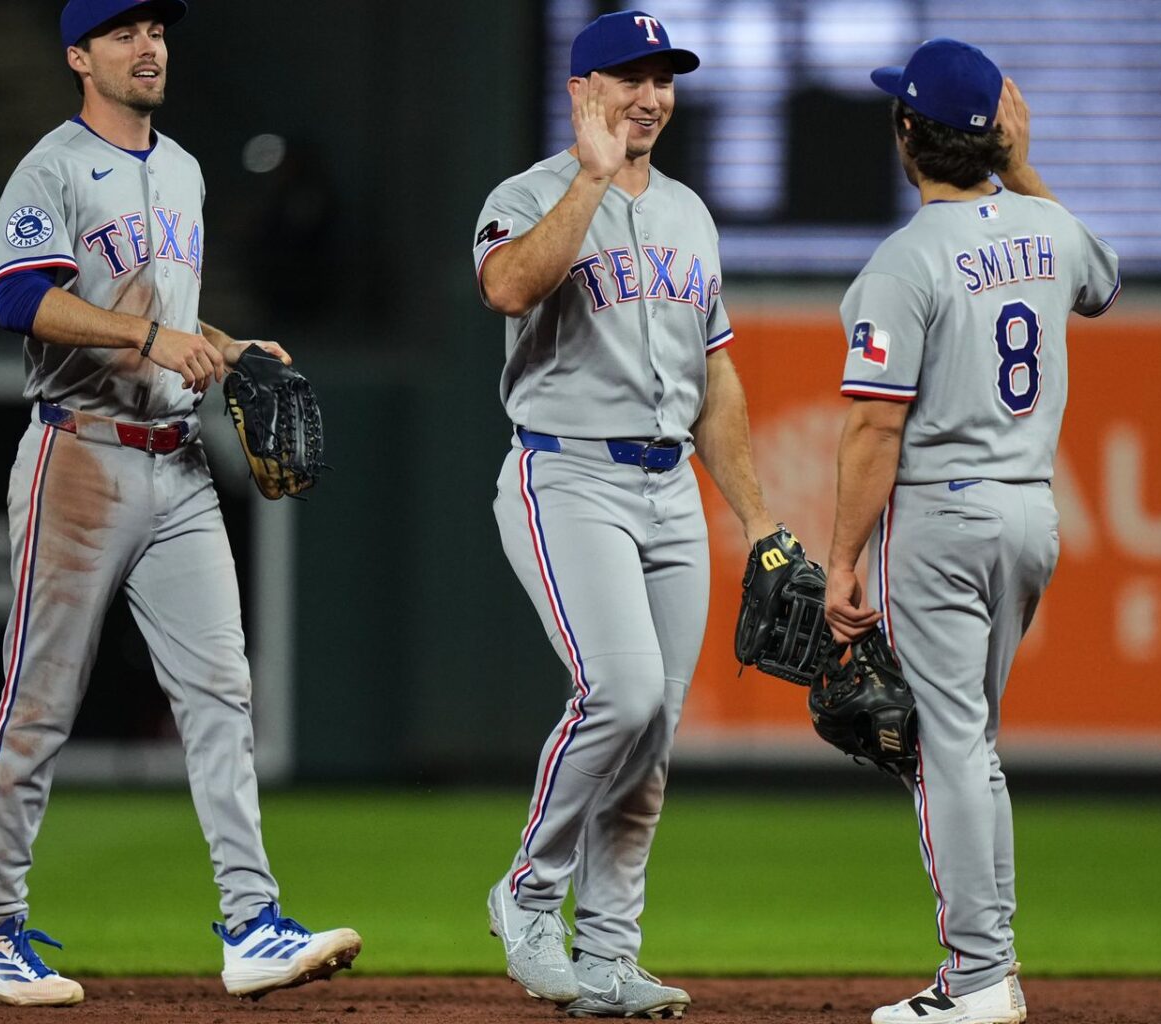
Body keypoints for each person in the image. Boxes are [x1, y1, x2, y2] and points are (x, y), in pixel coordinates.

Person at [0, 0, 360, 1006]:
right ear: (78, 55)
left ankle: (253, 924)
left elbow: (167, 312)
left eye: (158, 32)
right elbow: (22, 297)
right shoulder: (49, 168)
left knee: (222, 693)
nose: (148, 47)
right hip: (79, 455)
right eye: (125, 32)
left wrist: (224, 343)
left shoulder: (184, 170)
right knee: (40, 700)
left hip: (178, 461)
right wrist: (150, 340)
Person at [471, 9, 789, 1019]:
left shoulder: (692, 213)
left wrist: (757, 518)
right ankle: (529, 892)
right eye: (629, 77)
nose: (651, 97)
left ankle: (609, 954)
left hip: (670, 487)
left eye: (664, 78)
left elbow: (716, 378)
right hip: (566, 476)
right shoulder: (526, 195)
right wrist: (593, 179)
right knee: (622, 691)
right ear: (582, 91)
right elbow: (507, 287)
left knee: (652, 737)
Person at [824, 38, 1120, 1024]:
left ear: (908, 131)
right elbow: (1105, 281)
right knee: (972, 743)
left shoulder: (904, 260)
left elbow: (875, 426)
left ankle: (978, 975)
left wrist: (842, 558)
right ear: (996, 134)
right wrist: (1022, 171)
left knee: (945, 747)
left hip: (944, 516)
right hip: (1031, 513)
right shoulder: (1048, 228)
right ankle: (994, 966)